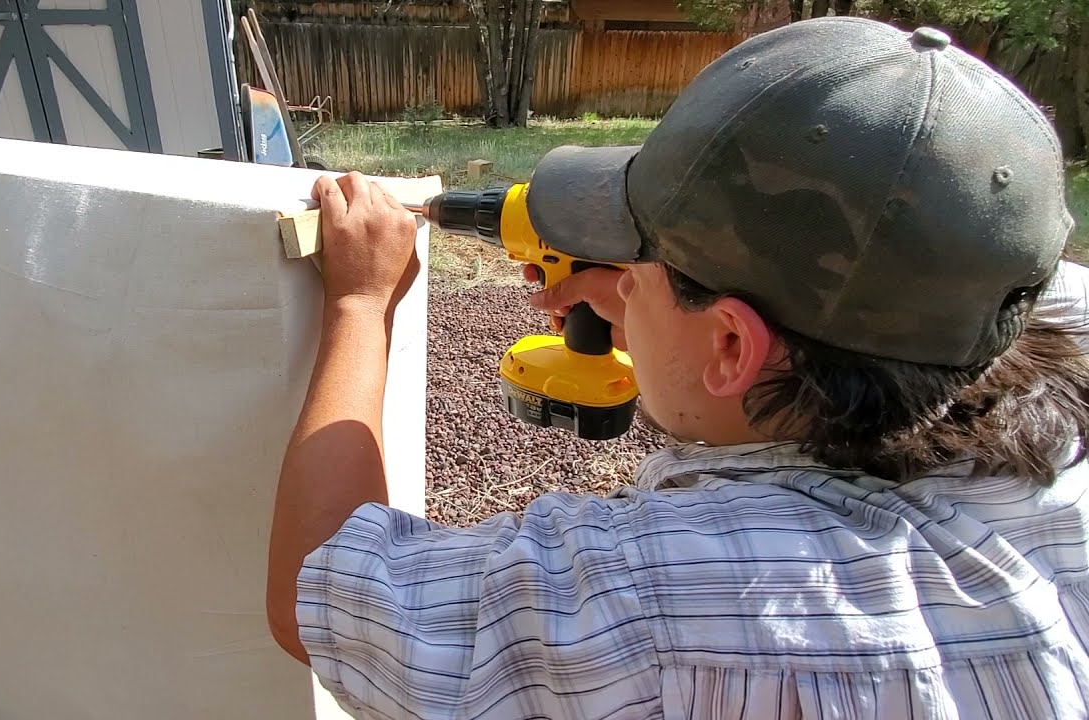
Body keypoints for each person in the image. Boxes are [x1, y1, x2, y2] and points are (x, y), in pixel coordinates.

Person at [265, 16, 1089, 719]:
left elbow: (325, 593)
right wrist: (666, 313)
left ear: (732, 347)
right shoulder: (1043, 407)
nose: (614, 282)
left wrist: (359, 305)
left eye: (636, 263)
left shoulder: (664, 602)